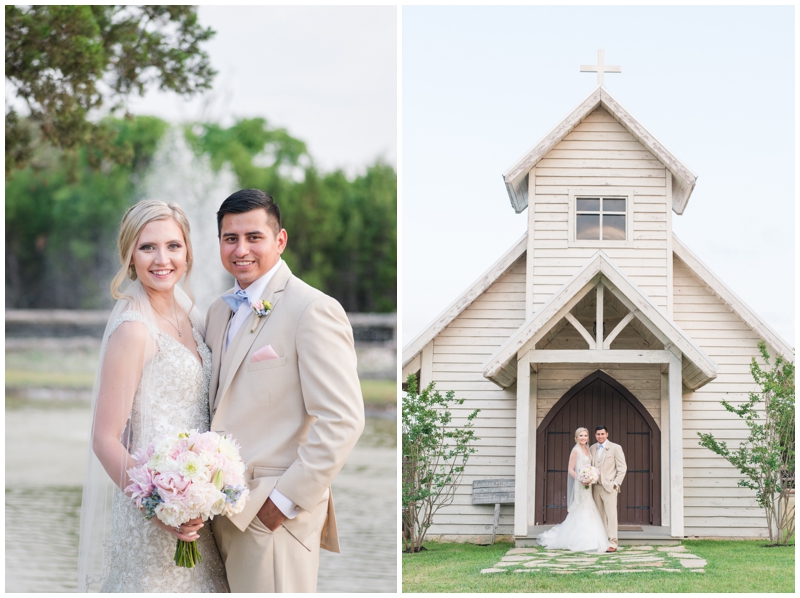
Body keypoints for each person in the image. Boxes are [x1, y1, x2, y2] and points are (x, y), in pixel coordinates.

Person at [205, 189, 365, 592]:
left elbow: (343, 420)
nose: (241, 249)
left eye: (253, 237)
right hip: (215, 513)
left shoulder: (312, 309)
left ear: (280, 240)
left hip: (270, 518)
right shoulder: (217, 311)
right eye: (230, 238)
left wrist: (281, 504)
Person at [77, 200, 229, 592]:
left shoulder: (190, 316)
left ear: (188, 252)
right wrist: (159, 508)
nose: (162, 259)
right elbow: (104, 438)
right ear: (130, 256)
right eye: (148, 247)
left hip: (197, 514)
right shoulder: (133, 330)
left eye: (173, 246)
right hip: (154, 518)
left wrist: (201, 490)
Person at [536, 427, 609, 553]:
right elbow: (570, 469)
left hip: (588, 484)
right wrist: (581, 478)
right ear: (576, 437)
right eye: (581, 436)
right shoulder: (575, 450)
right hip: (580, 484)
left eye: (585, 436)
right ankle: (581, 541)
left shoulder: (587, 449)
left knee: (589, 507)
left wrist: (591, 476)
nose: (583, 438)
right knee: (582, 507)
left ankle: (592, 540)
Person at [590, 425, 627, 552]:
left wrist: (616, 484)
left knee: (611, 515)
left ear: (607, 434)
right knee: (599, 515)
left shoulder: (616, 448)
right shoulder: (592, 448)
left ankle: (613, 543)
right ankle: (602, 540)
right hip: (596, 486)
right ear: (595, 435)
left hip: (609, 487)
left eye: (602, 434)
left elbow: (622, 468)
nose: (600, 436)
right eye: (598, 434)